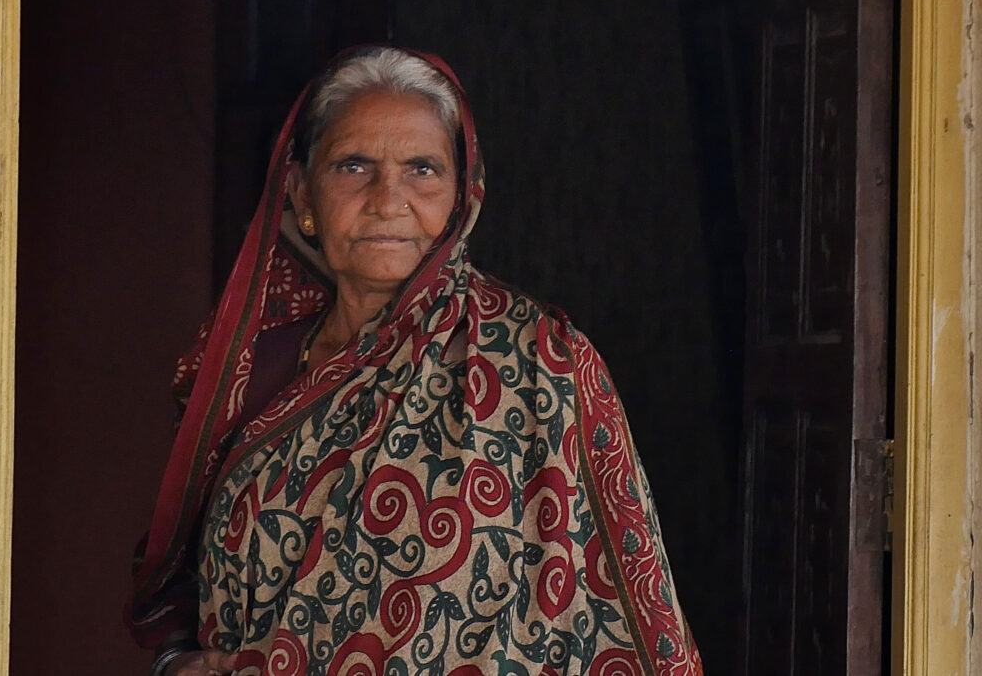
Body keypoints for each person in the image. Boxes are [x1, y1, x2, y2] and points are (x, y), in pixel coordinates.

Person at [127, 46, 703, 676]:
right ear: (301, 193)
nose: (388, 198)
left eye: (422, 168)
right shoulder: (250, 369)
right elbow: (180, 576)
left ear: (462, 194)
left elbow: (619, 605)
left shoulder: (541, 362)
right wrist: (177, 663)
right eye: (353, 166)